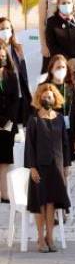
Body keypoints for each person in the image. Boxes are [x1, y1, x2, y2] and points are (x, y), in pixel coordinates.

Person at [24, 83, 71, 253]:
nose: (47, 98)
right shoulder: (34, 119)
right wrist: (32, 168)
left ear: (55, 98)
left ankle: (50, 237)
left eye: (50, 96)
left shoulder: (59, 118)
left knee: (51, 204)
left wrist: (66, 165)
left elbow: (65, 143)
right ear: (39, 98)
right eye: (44, 96)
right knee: (41, 203)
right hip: (40, 168)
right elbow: (29, 146)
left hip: (56, 167)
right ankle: (40, 238)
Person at [41, 55, 75, 164]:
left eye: (63, 67)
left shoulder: (72, 88)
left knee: (65, 169)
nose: (61, 70)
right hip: (50, 135)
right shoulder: (44, 88)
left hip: (68, 133)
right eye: (58, 67)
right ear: (51, 69)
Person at [0, 17, 31, 127]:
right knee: (7, 127)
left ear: (11, 30)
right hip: (4, 94)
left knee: (20, 125)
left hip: (19, 91)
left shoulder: (18, 48)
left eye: (7, 28)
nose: (5, 31)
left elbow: (23, 72)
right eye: (2, 28)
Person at [0, 46, 20, 202]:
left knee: (5, 160)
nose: (2, 58)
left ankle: (5, 193)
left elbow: (15, 102)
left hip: (8, 126)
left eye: (3, 56)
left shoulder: (11, 76)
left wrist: (8, 122)